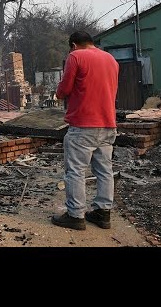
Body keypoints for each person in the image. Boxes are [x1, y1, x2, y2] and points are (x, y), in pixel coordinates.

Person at [51, 31, 119, 231]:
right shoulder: (111, 59)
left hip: (83, 125)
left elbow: (63, 90)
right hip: (108, 123)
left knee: (76, 171)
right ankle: (102, 213)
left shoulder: (76, 56)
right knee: (104, 171)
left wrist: (59, 92)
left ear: (73, 45)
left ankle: (75, 215)